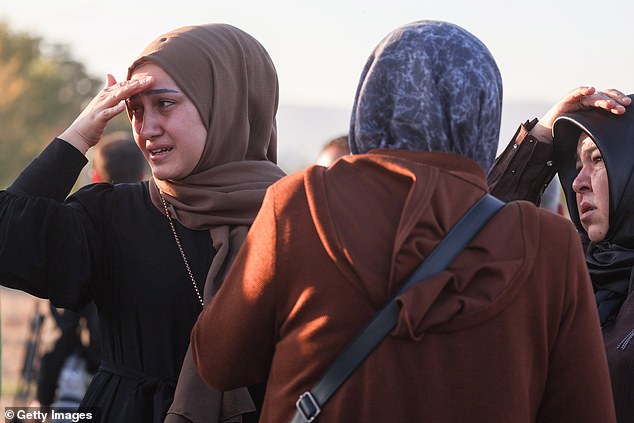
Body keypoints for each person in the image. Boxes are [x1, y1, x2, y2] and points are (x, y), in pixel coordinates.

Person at [190, 21, 616, 423]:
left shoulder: (300, 203)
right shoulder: (548, 243)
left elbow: (219, 362)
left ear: (368, 104)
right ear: (483, 111)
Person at [0, 23, 285, 422]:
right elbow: (7, 238)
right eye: (135, 110)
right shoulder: (112, 215)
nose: (146, 129)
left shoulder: (300, 219)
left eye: (165, 104)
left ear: (230, 103)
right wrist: (80, 135)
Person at [489, 86, 634, 422]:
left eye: (597, 159)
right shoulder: (569, 269)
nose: (576, 183)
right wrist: (544, 131)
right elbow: (485, 237)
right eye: (575, 166)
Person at [36, 130, 147, 409]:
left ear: (95, 177)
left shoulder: (83, 238)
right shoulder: (164, 231)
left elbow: (64, 330)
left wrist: (43, 397)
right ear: (144, 178)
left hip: (100, 379)